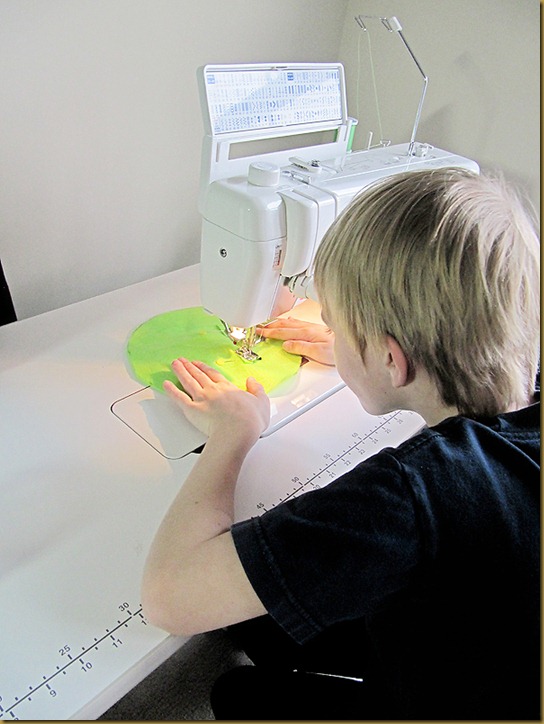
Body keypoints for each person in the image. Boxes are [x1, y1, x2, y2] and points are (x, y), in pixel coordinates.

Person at [141, 168, 540, 720]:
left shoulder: (407, 497)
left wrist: (235, 432)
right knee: (255, 616)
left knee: (237, 692)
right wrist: (361, 352)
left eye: (334, 323)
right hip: (498, 654)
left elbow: (167, 596)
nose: (327, 329)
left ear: (392, 359)